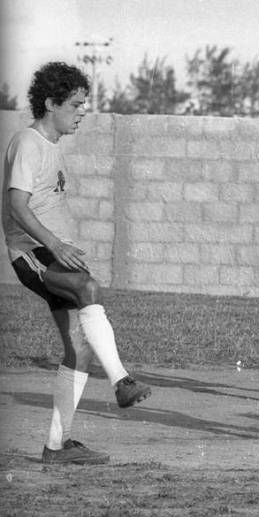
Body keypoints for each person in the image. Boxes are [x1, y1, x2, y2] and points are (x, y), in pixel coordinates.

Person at [2, 62, 152, 465]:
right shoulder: (27, 143)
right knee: (87, 287)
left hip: (51, 251)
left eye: (85, 103)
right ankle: (122, 381)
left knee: (79, 352)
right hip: (31, 253)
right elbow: (17, 206)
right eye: (76, 104)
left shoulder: (50, 147)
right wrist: (53, 242)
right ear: (51, 103)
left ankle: (57, 446)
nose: (83, 111)